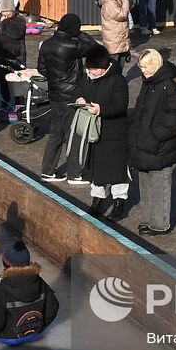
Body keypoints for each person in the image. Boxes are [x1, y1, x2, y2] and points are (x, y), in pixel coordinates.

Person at [67, 44, 131, 219]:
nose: (92, 72)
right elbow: (77, 92)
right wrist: (79, 98)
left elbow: (120, 106)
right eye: (90, 68)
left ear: (104, 66)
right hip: (94, 133)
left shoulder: (118, 81)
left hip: (114, 133)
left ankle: (119, 202)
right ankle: (97, 199)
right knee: (95, 169)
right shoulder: (87, 78)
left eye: (95, 69)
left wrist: (101, 110)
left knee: (117, 170)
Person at [37, 13, 94, 182]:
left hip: (55, 94)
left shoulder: (46, 44)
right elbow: (93, 47)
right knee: (74, 134)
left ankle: (48, 170)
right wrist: (80, 35)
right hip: (71, 94)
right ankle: (74, 173)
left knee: (56, 132)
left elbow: (42, 69)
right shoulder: (72, 45)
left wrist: (57, 78)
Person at [0, 0, 27, 121]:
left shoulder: (20, 20)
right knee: (3, 83)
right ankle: (4, 107)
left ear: (13, 10)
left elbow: (16, 34)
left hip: (15, 58)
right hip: (1, 58)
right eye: (3, 11)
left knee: (16, 85)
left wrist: (4, 24)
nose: (5, 14)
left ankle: (19, 108)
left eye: (8, 11)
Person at [98, 0, 131, 72]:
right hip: (114, 38)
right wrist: (125, 1)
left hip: (118, 35)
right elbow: (122, 15)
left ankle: (117, 79)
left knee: (120, 60)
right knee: (114, 65)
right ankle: (114, 82)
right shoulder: (110, 2)